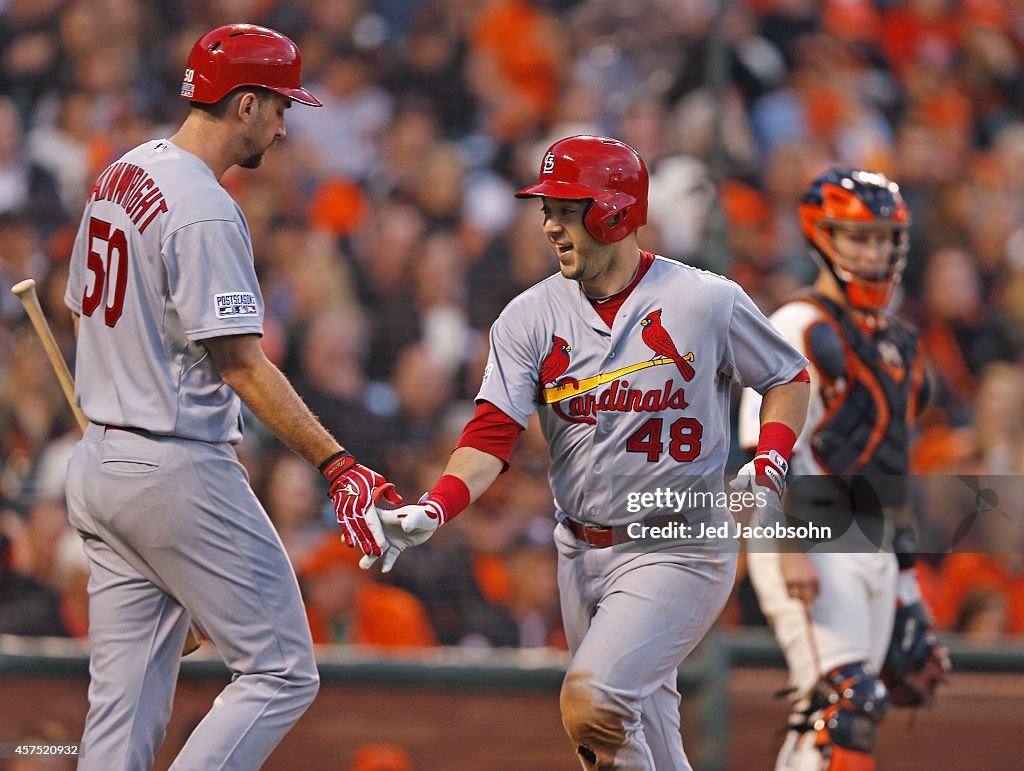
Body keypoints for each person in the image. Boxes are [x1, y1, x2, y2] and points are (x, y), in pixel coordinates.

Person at [364, 134, 810, 770]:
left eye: (565, 209)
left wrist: (767, 466)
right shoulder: (527, 317)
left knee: (594, 705)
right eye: (546, 209)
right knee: (643, 738)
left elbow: (788, 378)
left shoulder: (704, 299)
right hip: (579, 550)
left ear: (615, 210)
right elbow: (491, 434)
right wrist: (435, 508)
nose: (549, 225)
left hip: (680, 542)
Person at [62, 24, 398, 770]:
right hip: (173, 467)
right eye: (279, 107)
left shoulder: (121, 170)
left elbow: (83, 305)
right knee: (281, 669)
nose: (283, 125)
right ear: (244, 105)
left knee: (118, 723)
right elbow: (242, 365)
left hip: (102, 465)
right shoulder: (203, 205)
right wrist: (337, 462)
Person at [739, 167, 948, 770]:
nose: (874, 251)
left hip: (873, 535)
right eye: (859, 237)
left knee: (842, 714)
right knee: (844, 704)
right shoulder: (796, 323)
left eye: (883, 238)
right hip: (810, 526)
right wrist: (783, 543)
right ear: (821, 237)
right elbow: (760, 447)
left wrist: (909, 588)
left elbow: (892, 468)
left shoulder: (897, 340)